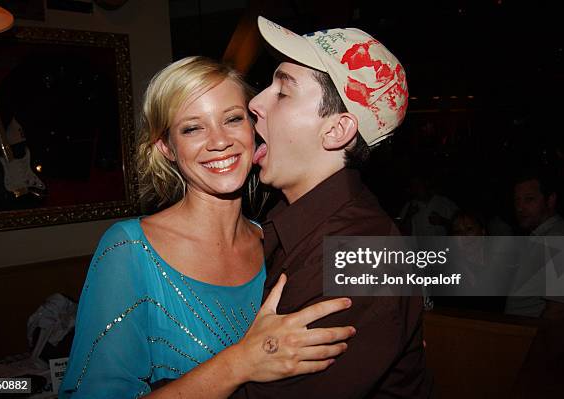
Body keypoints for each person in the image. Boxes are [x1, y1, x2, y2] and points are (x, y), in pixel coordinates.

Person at [59, 56, 356, 398]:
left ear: (254, 127)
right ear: (166, 147)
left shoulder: (275, 240)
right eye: (192, 128)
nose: (219, 141)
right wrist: (240, 363)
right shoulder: (129, 249)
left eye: (232, 119)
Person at [232, 17, 432, 398]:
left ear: (337, 130)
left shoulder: (364, 257)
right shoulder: (296, 222)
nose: (255, 102)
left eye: (283, 92)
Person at [505, 170, 564, 320]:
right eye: (517, 200)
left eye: (529, 199)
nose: (520, 207)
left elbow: (559, 310)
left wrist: (536, 341)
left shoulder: (559, 239)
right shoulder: (540, 235)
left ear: (550, 200)